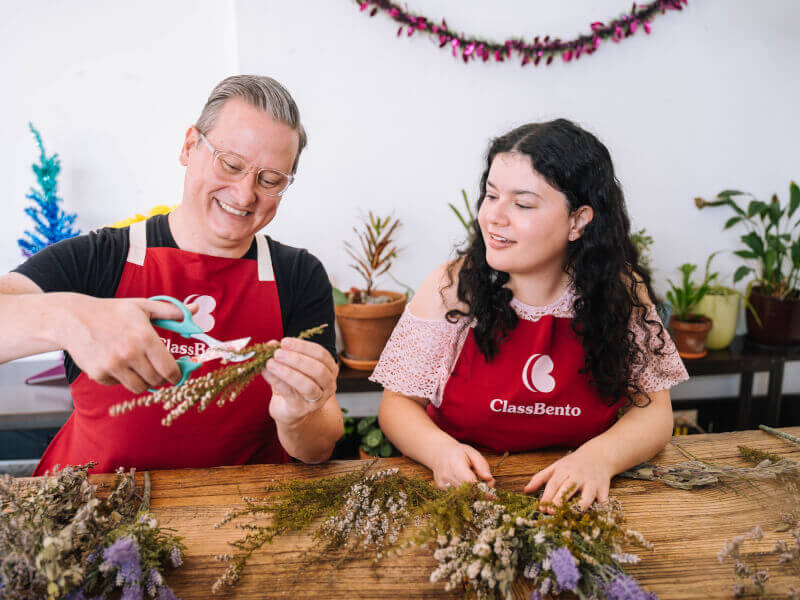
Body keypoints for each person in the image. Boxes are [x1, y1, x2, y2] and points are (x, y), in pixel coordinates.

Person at [0, 75, 343, 474]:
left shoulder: (298, 276)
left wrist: (297, 416)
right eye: (231, 164)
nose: (245, 194)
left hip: (240, 514)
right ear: (189, 146)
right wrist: (69, 318)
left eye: (270, 180)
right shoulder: (103, 257)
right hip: (94, 505)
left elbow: (318, 449)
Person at [372, 119, 688, 512]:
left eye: (522, 204)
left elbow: (655, 411)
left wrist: (599, 458)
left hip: (578, 499)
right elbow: (397, 405)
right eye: (491, 196)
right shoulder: (452, 287)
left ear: (578, 220)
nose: (493, 217)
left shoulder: (621, 292)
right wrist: (440, 452)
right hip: (466, 496)